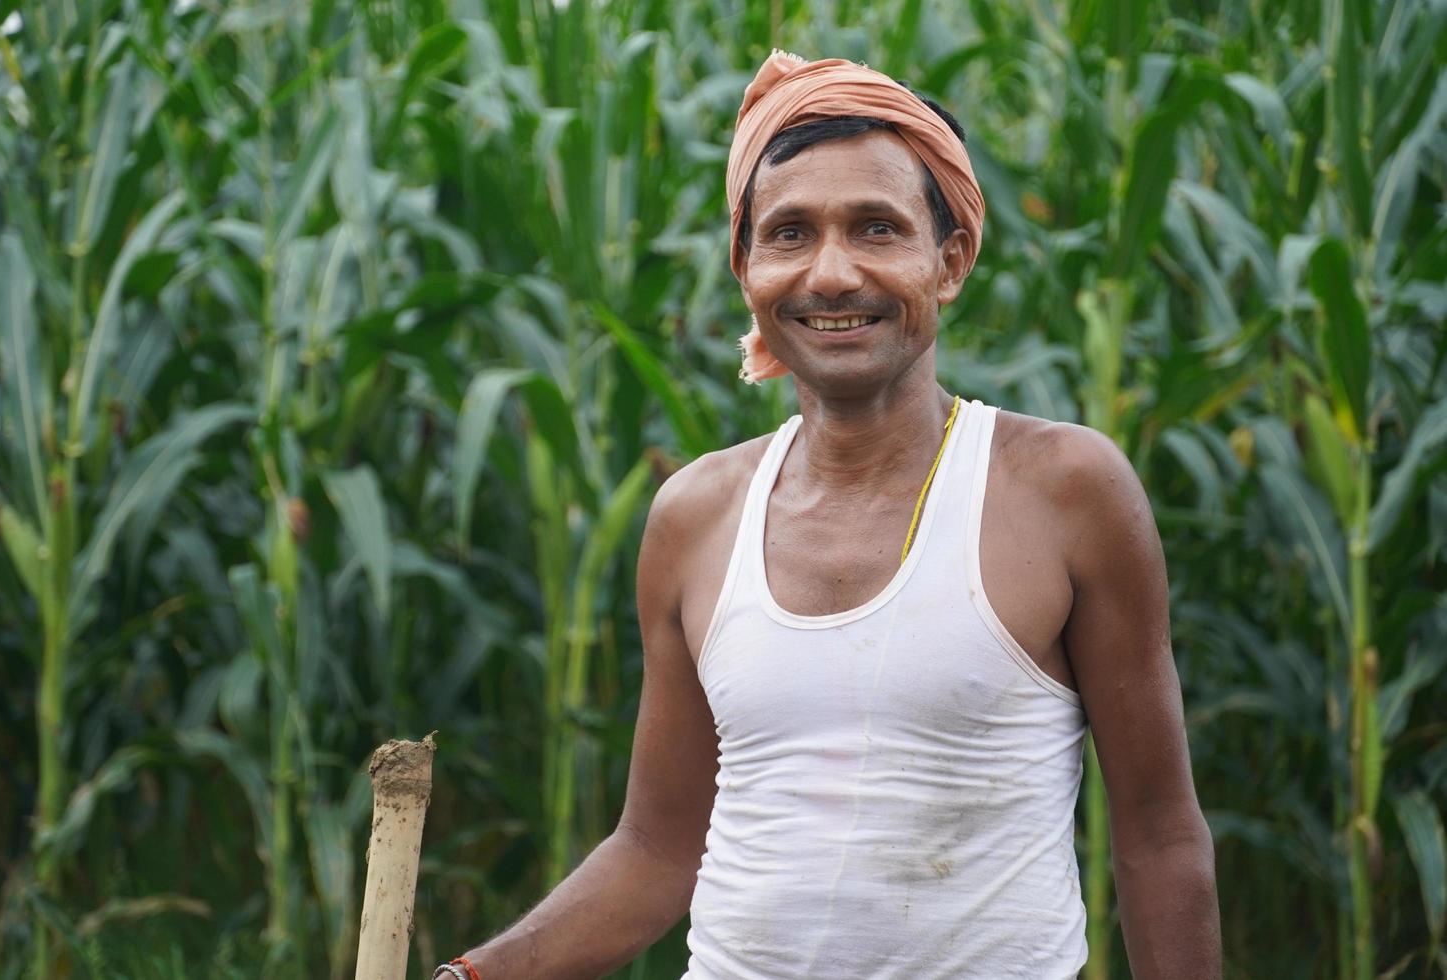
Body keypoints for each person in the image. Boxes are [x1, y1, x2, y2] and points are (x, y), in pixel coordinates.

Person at [434, 50, 1220, 980]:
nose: (833, 274)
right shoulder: (696, 516)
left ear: (951, 259)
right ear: (746, 268)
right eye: (790, 234)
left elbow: (1160, 837)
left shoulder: (1062, 490)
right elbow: (656, 848)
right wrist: (468, 977)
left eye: (879, 229)